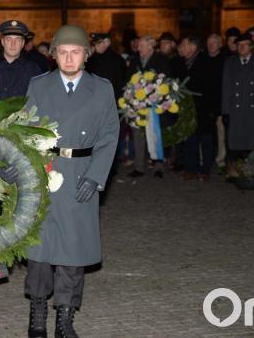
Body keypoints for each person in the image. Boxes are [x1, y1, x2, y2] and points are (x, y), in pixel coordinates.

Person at [22, 24, 119, 338]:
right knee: (39, 250)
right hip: (45, 171)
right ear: (53, 55)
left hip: (80, 173)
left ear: (86, 55)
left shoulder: (102, 88)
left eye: (75, 52)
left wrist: (96, 175)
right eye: (62, 52)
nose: (68, 58)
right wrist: (23, 167)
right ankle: (38, 312)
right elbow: (25, 130)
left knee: (73, 254)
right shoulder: (39, 86)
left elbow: (109, 135)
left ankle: (65, 316)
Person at [221, 32, 254, 163]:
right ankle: (237, 172)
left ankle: (253, 172)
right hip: (235, 110)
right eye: (239, 45)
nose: (242, 47)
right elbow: (226, 89)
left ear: (251, 47)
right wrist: (225, 111)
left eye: (245, 45)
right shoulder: (230, 62)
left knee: (253, 143)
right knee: (236, 144)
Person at [127, 35, 170, 178]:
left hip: (154, 104)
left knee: (155, 133)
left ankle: (158, 165)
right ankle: (139, 166)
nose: (138, 48)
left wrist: (151, 92)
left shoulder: (161, 59)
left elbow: (164, 80)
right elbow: (129, 79)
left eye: (141, 46)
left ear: (150, 46)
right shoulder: (135, 60)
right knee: (138, 133)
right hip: (137, 104)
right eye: (138, 46)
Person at [179, 36, 221, 181]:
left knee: (206, 139)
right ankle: (191, 168)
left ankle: (205, 169)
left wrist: (213, 109)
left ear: (193, 47)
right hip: (188, 109)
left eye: (184, 44)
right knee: (190, 138)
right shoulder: (182, 62)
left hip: (204, 108)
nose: (181, 47)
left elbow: (214, 87)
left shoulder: (206, 61)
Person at [206, 34, 228, 167]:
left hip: (220, 103)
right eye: (209, 42)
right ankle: (207, 159)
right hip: (206, 104)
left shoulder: (225, 60)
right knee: (207, 134)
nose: (211, 45)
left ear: (220, 44)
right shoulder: (202, 59)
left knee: (221, 134)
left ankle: (221, 160)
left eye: (214, 43)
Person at [85, 32, 126, 100]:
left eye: (98, 43)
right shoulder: (92, 58)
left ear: (107, 43)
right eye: (94, 43)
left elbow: (120, 83)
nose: (95, 46)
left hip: (110, 99)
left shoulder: (116, 60)